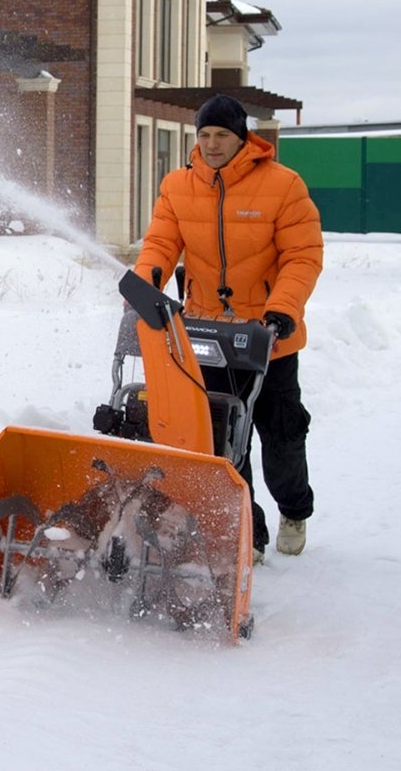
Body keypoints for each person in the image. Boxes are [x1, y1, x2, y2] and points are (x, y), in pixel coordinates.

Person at [134, 93, 323, 564]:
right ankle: (248, 531)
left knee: (280, 439)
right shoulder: (178, 186)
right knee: (223, 441)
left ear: (242, 139)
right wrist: (144, 287)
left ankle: (294, 509)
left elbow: (303, 256)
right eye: (204, 135)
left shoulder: (283, 185)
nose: (212, 144)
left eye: (222, 135)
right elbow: (160, 244)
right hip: (207, 336)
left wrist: (281, 309)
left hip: (269, 338)